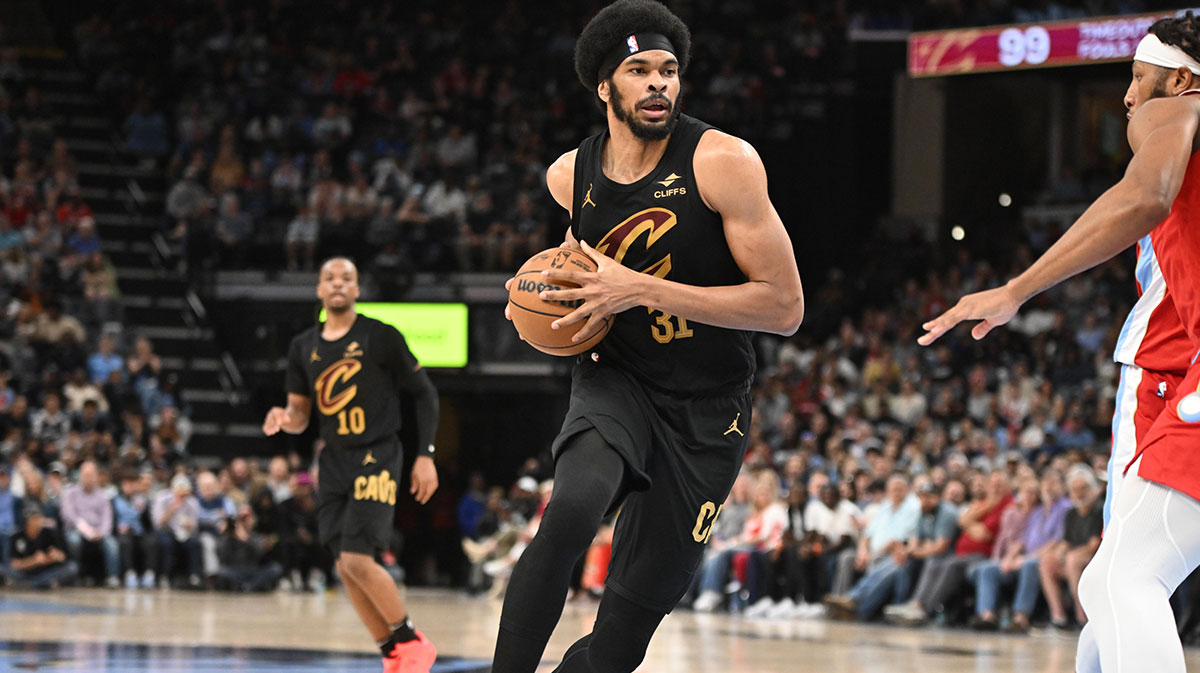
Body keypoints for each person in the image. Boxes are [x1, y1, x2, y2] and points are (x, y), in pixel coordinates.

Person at [491, 2, 804, 670]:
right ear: (606, 87)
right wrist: (555, 299)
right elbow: (575, 280)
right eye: (640, 71)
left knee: (620, 642)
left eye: (668, 69)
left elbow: (784, 306)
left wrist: (639, 289)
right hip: (617, 378)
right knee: (572, 508)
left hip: (708, 405)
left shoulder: (724, 162)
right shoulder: (568, 177)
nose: (659, 82)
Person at [918, 15, 1200, 672]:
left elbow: (1145, 193)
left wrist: (1017, 287)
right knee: (1110, 592)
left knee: (1117, 582)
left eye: (1136, 78)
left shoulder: (1175, 111)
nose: (1129, 98)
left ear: (1182, 79)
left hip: (1169, 371)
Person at [263, 256, 441, 673]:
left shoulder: (381, 336)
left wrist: (425, 455)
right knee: (344, 565)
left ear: (358, 289)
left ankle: (412, 639)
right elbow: (301, 413)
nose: (338, 284)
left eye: (348, 278)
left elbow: (426, 394)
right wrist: (285, 418)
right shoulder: (303, 346)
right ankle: (392, 653)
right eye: (330, 278)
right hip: (335, 459)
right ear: (319, 290)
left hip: (377, 453)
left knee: (359, 558)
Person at [1, 502, 77, 589]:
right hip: (24, 573)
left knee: (72, 568)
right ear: (27, 521)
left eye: (38, 518)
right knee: (3, 569)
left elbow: (63, 556)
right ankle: (39, 584)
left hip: (45, 572)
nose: (36, 522)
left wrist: (56, 556)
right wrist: (33, 561)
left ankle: (33, 584)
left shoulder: (50, 533)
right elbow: (14, 564)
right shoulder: (17, 537)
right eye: (33, 519)